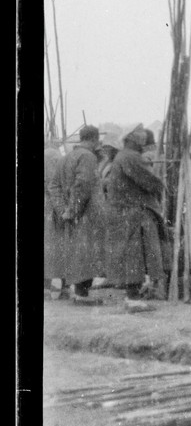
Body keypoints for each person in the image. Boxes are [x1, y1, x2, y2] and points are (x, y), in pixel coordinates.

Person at [105, 128, 167, 310]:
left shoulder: (124, 156)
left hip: (126, 210)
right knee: (134, 255)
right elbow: (149, 180)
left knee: (133, 254)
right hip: (131, 212)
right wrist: (162, 185)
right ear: (131, 137)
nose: (143, 136)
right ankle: (132, 299)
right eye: (139, 133)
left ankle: (134, 294)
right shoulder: (130, 157)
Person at [48, 125, 107, 305]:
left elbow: (53, 186)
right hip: (87, 213)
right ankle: (82, 295)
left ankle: (80, 294)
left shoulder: (64, 158)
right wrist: (73, 210)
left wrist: (63, 210)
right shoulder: (88, 157)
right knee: (87, 254)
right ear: (95, 139)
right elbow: (83, 185)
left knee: (77, 252)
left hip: (72, 213)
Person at [43, 138, 66, 299]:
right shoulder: (53, 155)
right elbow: (53, 183)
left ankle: (47, 286)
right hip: (52, 204)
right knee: (55, 245)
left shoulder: (47, 154)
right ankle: (55, 286)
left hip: (48, 202)